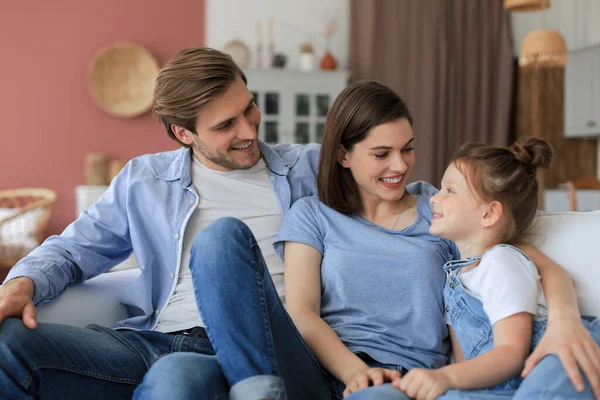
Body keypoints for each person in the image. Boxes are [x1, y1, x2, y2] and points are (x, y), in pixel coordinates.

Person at [139, 81, 600, 400]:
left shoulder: (439, 211)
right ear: (342, 154)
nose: (400, 165)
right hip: (315, 369)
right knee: (218, 246)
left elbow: (523, 255)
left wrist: (563, 318)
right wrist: (352, 371)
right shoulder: (313, 215)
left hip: (399, 381)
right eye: (381, 154)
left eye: (408, 148)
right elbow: (301, 312)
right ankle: (257, 388)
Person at [0, 47, 321, 399]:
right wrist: (20, 285)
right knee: (8, 344)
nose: (249, 129)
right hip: (152, 341)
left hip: (259, 349)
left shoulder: (308, 170)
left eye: (249, 108)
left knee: (176, 376)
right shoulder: (146, 179)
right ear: (184, 134)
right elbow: (74, 249)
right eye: (226, 125)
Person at [348, 138, 600, 400]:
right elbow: (463, 367)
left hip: (547, 360)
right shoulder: (456, 278)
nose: (434, 198)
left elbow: (511, 353)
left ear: (489, 214)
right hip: (499, 389)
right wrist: (440, 383)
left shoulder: (501, 262)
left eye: (450, 191)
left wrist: (443, 377)